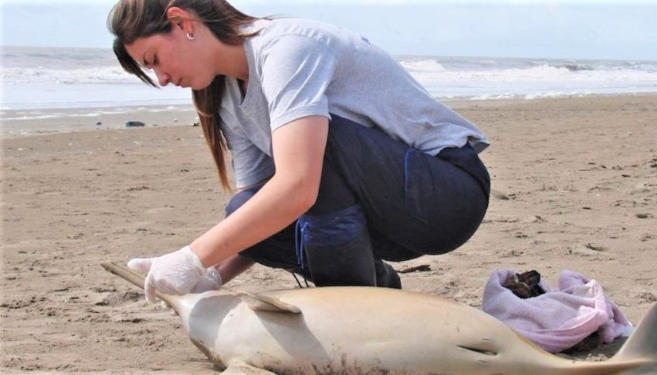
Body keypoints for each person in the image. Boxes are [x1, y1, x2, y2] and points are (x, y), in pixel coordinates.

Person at [108, 0, 491, 303]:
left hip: (447, 194)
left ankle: (353, 303)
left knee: (315, 151)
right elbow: (267, 208)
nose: (161, 79)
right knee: (243, 212)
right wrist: (210, 276)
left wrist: (192, 257)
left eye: (154, 60)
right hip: (386, 218)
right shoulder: (225, 95)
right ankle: (371, 286)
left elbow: (298, 186)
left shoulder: (287, 49)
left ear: (182, 23)